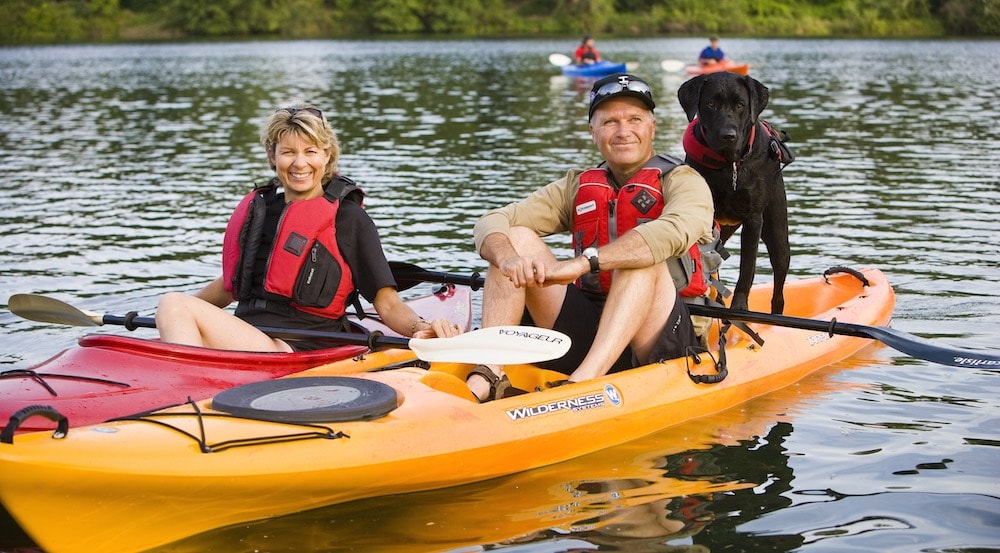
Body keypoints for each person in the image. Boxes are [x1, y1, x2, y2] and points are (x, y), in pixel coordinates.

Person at [469, 74, 715, 402]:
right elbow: (492, 221)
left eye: (634, 120)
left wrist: (585, 263)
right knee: (514, 237)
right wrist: (507, 258)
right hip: (592, 327)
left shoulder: (685, 181)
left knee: (640, 258)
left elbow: (674, 229)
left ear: (652, 127)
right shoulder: (578, 185)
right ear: (593, 132)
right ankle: (489, 370)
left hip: (662, 334)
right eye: (610, 121)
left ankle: (582, 386)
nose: (623, 131)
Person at [155, 103, 461, 351]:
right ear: (272, 157)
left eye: (310, 151)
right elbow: (229, 286)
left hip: (296, 348)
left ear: (327, 156)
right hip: (248, 336)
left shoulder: (349, 219)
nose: (300, 163)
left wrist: (422, 328)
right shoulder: (262, 210)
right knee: (172, 307)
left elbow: (386, 302)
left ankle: (187, 395)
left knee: (172, 303)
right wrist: (166, 318)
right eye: (288, 152)